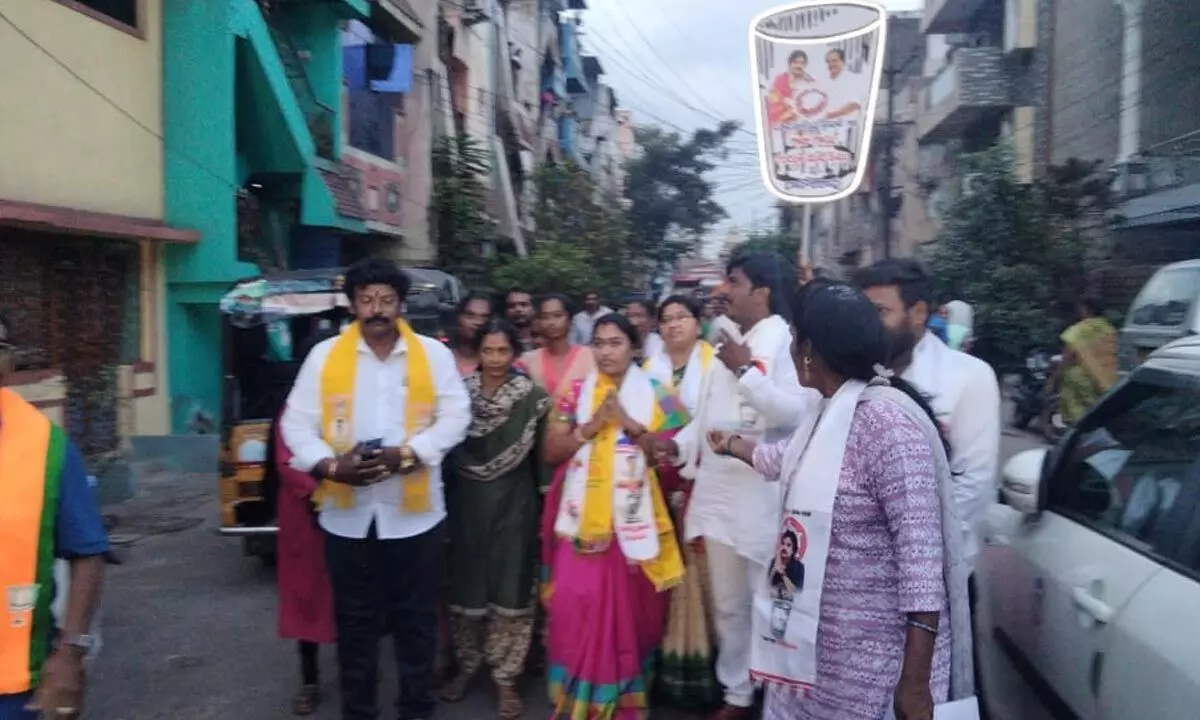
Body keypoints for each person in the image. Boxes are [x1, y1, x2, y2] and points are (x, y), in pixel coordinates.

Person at [708, 282, 976, 720]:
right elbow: (782, 459)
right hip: (814, 653)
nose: (791, 350)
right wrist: (732, 444)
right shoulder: (825, 409)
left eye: (794, 339)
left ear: (810, 349)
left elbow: (922, 563)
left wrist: (914, 682)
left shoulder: (887, 425)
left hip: (874, 668)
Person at [280, 258, 471, 720]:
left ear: (400, 304)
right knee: (356, 624)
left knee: (416, 620)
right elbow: (296, 425)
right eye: (367, 300)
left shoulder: (433, 354)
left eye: (386, 300)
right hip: (348, 517)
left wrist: (408, 454)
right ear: (354, 306)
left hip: (416, 515)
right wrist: (329, 465)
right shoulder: (324, 357)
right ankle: (359, 710)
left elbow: (457, 416)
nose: (377, 309)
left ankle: (415, 708)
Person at [656, 254, 817, 720]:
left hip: (765, 498)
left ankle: (779, 694)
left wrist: (748, 372)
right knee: (728, 605)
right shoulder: (726, 341)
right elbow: (708, 417)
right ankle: (737, 693)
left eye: (735, 281)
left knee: (771, 603)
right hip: (720, 495)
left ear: (762, 291)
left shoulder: (787, 341)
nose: (725, 289)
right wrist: (677, 446)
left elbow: (796, 415)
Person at [540, 313, 686, 719]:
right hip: (581, 523)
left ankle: (620, 701)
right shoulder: (574, 394)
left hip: (635, 529)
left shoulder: (661, 396)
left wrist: (627, 424)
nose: (605, 351)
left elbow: (671, 462)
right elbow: (551, 453)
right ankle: (578, 699)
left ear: (634, 348)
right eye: (599, 343)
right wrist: (591, 427)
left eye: (615, 343)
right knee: (574, 606)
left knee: (632, 618)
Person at [853, 259, 1000, 591]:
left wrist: (908, 553)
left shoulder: (968, 377)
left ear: (918, 312)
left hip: (938, 576)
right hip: (858, 578)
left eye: (879, 312)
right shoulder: (851, 375)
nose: (866, 326)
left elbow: (972, 485)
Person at [0, 312, 109, 720]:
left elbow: (88, 554)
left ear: (8, 364)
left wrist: (70, 655)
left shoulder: (47, 449)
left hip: (15, 690)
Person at [440, 319, 550, 718]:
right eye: (488, 351)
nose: (496, 359)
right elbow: (445, 453)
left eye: (503, 351)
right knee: (465, 585)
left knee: (512, 585)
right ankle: (468, 667)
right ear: (479, 352)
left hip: (515, 506)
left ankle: (506, 679)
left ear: (514, 353)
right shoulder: (458, 396)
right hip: (465, 504)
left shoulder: (532, 398)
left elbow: (543, 462)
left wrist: (545, 510)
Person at [641, 296, 720, 710]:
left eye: (681, 318)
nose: (673, 326)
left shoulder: (715, 366)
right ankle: (663, 670)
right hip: (656, 484)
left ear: (697, 323)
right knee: (663, 579)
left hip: (703, 484)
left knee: (704, 581)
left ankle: (709, 675)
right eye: (665, 320)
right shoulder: (648, 372)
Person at [272, 328, 339, 716]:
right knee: (307, 599)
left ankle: (355, 672)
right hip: (306, 518)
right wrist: (321, 491)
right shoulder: (294, 408)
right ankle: (310, 681)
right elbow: (287, 460)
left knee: (351, 597)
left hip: (351, 511)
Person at [519, 294, 595, 404]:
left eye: (557, 315)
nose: (551, 322)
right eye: (544, 317)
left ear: (570, 319)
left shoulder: (590, 357)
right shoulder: (527, 361)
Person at [1059, 295, 1118, 426]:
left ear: (1086, 309)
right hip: (1106, 378)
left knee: (1076, 415)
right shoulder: (1110, 330)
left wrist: (1053, 380)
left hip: (1079, 377)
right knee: (1097, 411)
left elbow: (1067, 357)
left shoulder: (1078, 330)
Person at [766, 49, 816, 126]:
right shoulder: (781, 79)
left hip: (803, 121)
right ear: (790, 64)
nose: (799, 66)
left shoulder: (808, 80)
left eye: (802, 63)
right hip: (783, 122)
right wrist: (787, 104)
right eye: (796, 63)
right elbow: (773, 100)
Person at [449, 293, 493, 376]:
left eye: (484, 317)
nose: (478, 322)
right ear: (458, 318)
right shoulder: (442, 357)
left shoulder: (498, 364)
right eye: (470, 316)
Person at [504, 288, 537, 353]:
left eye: (523, 305)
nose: (518, 309)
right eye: (512, 306)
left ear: (534, 309)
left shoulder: (546, 341)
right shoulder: (501, 340)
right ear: (506, 311)